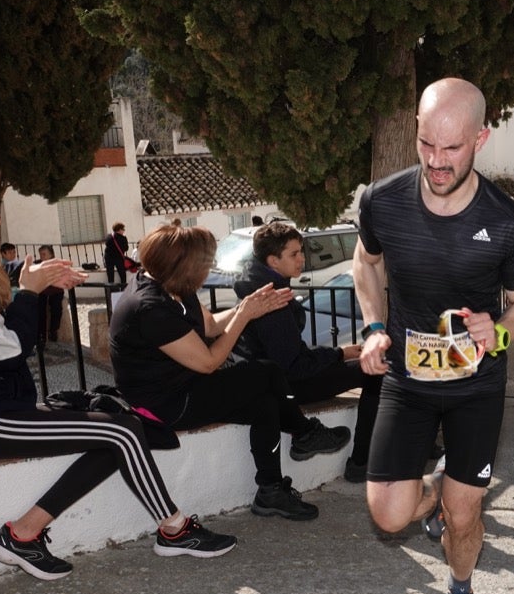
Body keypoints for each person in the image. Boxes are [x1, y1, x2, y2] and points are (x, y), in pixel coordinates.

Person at [0, 172, 237, 581]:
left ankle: (22, 534)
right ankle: (174, 529)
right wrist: (29, 291)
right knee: (123, 432)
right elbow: (9, 348)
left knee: (116, 432)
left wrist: (34, 281)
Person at [353, 78, 514, 594]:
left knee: (464, 517)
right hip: (408, 380)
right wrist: (374, 328)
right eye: (427, 144)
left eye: (452, 148)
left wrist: (498, 335)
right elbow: (366, 264)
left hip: (475, 386)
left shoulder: (508, 222)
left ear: (480, 138)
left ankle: (460, 585)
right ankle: (436, 490)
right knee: (388, 513)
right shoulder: (381, 201)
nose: (437, 161)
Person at [109, 223, 352, 521]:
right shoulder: (150, 307)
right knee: (266, 372)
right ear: (184, 265)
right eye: (205, 262)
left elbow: (210, 326)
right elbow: (209, 361)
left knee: (266, 403)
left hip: (186, 386)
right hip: (165, 405)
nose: (209, 267)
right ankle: (303, 432)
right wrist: (244, 317)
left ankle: (270, 490)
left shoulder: (172, 287)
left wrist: (246, 308)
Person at [233, 221, 381, 483]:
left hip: (270, 378)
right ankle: (360, 461)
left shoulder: (257, 284)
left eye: (301, 251)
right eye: (294, 254)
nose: (302, 258)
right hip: (285, 385)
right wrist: (339, 354)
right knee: (375, 371)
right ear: (272, 260)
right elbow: (294, 365)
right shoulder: (271, 300)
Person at [36, 244, 64, 343]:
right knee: (40, 311)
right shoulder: (37, 265)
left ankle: (53, 330)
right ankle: (42, 334)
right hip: (42, 291)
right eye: (40, 254)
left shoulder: (58, 264)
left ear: (51, 255)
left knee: (57, 309)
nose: (41, 257)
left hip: (55, 290)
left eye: (44, 254)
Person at [103, 222, 130, 287]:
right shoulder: (123, 238)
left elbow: (107, 244)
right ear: (119, 229)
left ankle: (112, 291)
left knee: (110, 275)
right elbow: (126, 248)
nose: (124, 231)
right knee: (122, 274)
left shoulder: (109, 237)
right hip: (119, 258)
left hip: (109, 258)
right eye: (123, 229)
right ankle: (123, 289)